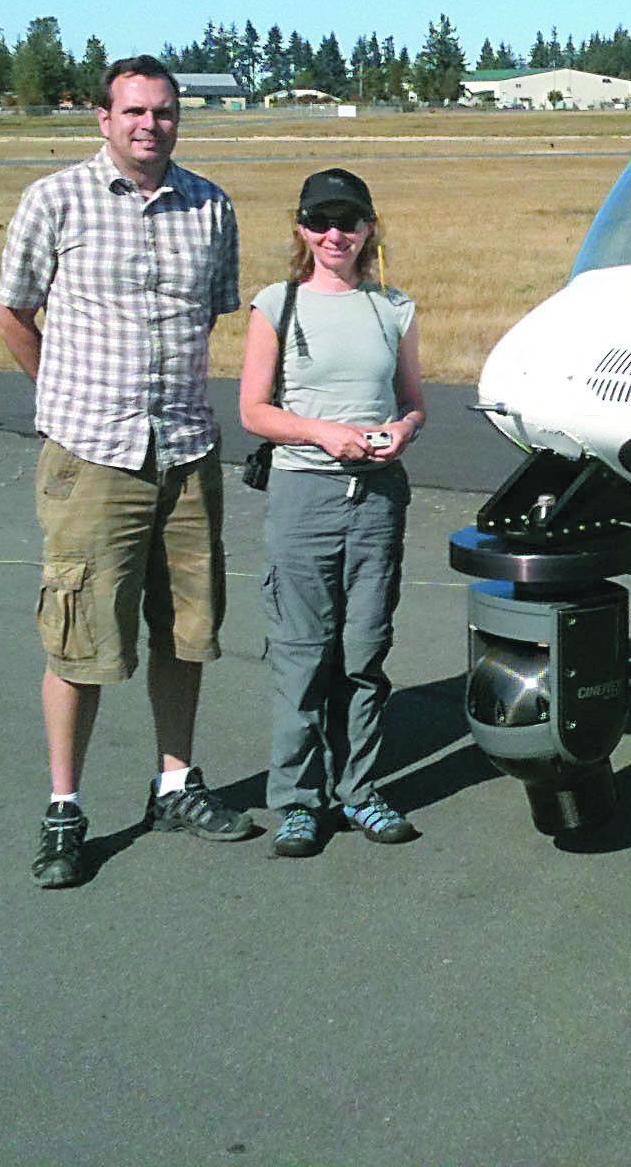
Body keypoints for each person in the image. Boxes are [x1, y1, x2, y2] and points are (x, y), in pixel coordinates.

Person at [0, 54, 258, 889]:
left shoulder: (211, 207)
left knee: (186, 631)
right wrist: (61, 398)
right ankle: (65, 807)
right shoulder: (54, 200)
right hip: (92, 455)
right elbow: (12, 309)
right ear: (104, 120)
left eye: (166, 112)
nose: (151, 125)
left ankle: (175, 783)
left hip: (184, 451)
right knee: (80, 636)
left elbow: (212, 315)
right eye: (136, 111)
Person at [238, 167, 427, 858]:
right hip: (304, 496)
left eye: (348, 221)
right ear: (301, 229)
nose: (334, 235)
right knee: (302, 654)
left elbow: (413, 402)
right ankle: (296, 800)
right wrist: (324, 433)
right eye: (320, 222)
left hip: (377, 499)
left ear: (370, 228)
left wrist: (400, 431)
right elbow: (254, 411)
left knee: (365, 650)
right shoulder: (276, 306)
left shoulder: (394, 308)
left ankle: (360, 791)